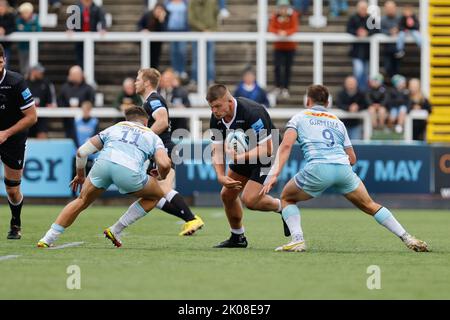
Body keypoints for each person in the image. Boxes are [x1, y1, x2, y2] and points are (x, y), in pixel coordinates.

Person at [261, 84, 429, 253]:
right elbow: (353, 158)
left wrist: (274, 173)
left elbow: (285, 146)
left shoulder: (299, 117)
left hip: (318, 168)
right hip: (343, 169)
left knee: (287, 197)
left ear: (307, 100)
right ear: (327, 103)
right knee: (370, 205)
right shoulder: (337, 121)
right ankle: (406, 236)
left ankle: (297, 240)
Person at [37, 107, 172, 248]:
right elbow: (164, 163)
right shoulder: (152, 136)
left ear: (128, 120)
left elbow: (81, 152)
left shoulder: (115, 128)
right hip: (128, 171)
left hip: (103, 165)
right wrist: (161, 175)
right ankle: (116, 229)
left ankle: (47, 238)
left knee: (81, 200)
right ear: (146, 122)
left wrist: (80, 175)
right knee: (155, 196)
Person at [207, 84, 286, 248]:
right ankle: (237, 237)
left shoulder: (252, 112)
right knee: (227, 195)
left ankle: (283, 207)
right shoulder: (216, 118)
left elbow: (267, 148)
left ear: (229, 101)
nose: (214, 110)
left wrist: (240, 156)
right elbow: (217, 150)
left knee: (249, 200)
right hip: (244, 155)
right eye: (212, 107)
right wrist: (221, 176)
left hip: (268, 155)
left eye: (217, 106)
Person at [131, 68, 204, 236]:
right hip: (161, 150)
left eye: (138, 79)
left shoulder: (153, 99)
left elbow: (162, 121)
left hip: (163, 150)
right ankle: (190, 219)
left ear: (147, 82)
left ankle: (192, 219)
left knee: (161, 190)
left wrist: (141, 139)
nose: (136, 82)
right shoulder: (149, 101)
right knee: (153, 196)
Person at [0, 44, 37, 239]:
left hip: (12, 138)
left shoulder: (16, 82)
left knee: (12, 190)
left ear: (3, 60)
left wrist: (6, 133)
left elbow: (32, 117)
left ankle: (15, 223)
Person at [268, 0, 299, 100]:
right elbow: (271, 28)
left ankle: (285, 88)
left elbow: (295, 28)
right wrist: (279, 31)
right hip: (278, 47)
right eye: (281, 8)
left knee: (287, 68)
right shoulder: (275, 16)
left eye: (285, 7)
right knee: (277, 67)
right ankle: (278, 86)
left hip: (290, 47)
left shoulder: (293, 15)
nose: (283, 10)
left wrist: (286, 32)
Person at [346, 1, 378, 91]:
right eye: (361, 8)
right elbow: (348, 29)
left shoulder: (371, 19)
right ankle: (360, 90)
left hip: (368, 52)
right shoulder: (353, 18)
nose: (363, 10)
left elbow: (377, 30)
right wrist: (357, 32)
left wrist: (367, 33)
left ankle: (364, 91)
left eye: (364, 8)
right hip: (356, 52)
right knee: (358, 71)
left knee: (366, 73)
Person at [58, 65, 96, 139]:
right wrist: (67, 108)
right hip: (69, 122)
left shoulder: (88, 88)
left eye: (74, 75)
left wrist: (83, 107)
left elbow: (92, 102)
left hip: (85, 123)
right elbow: (59, 101)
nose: (72, 76)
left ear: (81, 75)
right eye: (71, 75)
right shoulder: (64, 88)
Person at [189, 0, 218, 86]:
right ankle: (194, 79)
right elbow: (191, 19)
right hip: (196, 34)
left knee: (210, 58)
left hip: (210, 34)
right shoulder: (193, 2)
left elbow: (216, 16)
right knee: (196, 57)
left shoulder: (212, 2)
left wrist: (213, 30)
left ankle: (210, 80)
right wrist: (203, 29)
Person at [72, 0, 107, 69]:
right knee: (79, 58)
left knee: (90, 57)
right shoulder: (76, 7)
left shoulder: (96, 8)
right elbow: (71, 20)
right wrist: (69, 29)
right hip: (79, 37)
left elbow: (102, 19)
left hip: (91, 35)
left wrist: (103, 28)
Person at [26, 63, 57, 139]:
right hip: (28, 116)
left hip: (42, 118)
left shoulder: (46, 83)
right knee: (26, 138)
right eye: (39, 71)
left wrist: (51, 105)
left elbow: (51, 101)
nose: (41, 73)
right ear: (33, 72)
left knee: (42, 136)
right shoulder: (24, 83)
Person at [335, 75, 367, 140]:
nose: (351, 85)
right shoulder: (341, 94)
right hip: (343, 125)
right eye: (349, 83)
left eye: (352, 83)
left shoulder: (361, 94)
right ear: (345, 84)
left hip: (356, 124)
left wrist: (358, 107)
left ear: (356, 84)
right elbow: (339, 104)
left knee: (356, 145)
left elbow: (365, 105)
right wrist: (349, 108)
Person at [137, 3, 168, 70]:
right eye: (157, 10)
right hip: (146, 43)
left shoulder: (164, 18)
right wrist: (143, 30)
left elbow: (164, 31)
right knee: (146, 59)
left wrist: (161, 21)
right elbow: (139, 25)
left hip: (157, 44)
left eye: (160, 10)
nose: (158, 12)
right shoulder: (147, 15)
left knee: (155, 62)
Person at [16, 2, 41, 75]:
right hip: (22, 47)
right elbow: (18, 31)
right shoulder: (18, 20)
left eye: (26, 12)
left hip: (33, 48)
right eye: (23, 12)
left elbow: (38, 30)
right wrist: (30, 28)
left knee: (30, 67)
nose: (24, 14)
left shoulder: (35, 20)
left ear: (31, 13)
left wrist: (25, 28)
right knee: (23, 68)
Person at [381, 0, 401, 78]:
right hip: (387, 50)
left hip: (398, 50)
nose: (390, 10)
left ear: (395, 8)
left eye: (391, 8)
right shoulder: (382, 20)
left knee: (397, 70)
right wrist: (389, 32)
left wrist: (398, 30)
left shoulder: (400, 19)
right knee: (388, 69)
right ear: (385, 9)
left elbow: (404, 28)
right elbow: (380, 31)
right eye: (388, 8)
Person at [0, 0, 15, 67]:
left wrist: (5, 31)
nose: (1, 8)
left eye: (2, 6)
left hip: (6, 45)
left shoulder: (10, 16)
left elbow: (13, 27)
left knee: (4, 65)